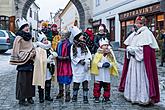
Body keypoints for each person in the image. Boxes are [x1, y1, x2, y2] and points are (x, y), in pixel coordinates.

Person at [118, 16, 160, 105]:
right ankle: (132, 95)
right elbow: (130, 44)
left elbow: (145, 50)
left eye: (138, 23)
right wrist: (129, 49)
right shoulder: (134, 33)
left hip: (141, 63)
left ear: (142, 24)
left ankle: (143, 98)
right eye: (136, 22)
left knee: (141, 79)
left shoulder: (147, 33)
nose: (136, 24)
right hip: (133, 61)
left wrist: (133, 50)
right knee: (133, 77)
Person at [10, 18, 36, 106]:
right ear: (22, 28)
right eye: (25, 27)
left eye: (28, 27)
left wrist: (33, 52)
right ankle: (22, 98)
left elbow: (31, 47)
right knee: (23, 82)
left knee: (30, 81)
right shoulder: (18, 38)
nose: (27, 28)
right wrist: (27, 55)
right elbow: (17, 51)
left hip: (30, 63)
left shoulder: (29, 37)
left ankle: (30, 97)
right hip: (23, 63)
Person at [32, 31, 57, 103]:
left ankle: (47, 96)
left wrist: (53, 56)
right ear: (41, 41)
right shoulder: (39, 49)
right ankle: (41, 97)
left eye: (46, 39)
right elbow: (38, 60)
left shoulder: (49, 48)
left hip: (48, 69)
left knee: (48, 83)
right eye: (44, 40)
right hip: (41, 69)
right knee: (41, 83)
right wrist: (47, 60)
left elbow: (52, 55)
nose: (46, 41)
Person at [91, 38, 118, 103]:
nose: (106, 46)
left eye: (107, 45)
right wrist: (102, 65)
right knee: (97, 87)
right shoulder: (98, 54)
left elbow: (113, 62)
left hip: (106, 73)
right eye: (104, 45)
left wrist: (109, 65)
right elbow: (95, 63)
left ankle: (106, 97)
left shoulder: (110, 54)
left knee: (107, 87)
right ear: (101, 46)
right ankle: (96, 97)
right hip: (99, 74)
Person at [70, 26, 92, 104]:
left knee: (85, 82)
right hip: (78, 67)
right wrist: (79, 61)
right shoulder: (73, 47)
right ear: (77, 37)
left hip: (85, 67)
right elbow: (73, 57)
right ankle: (74, 96)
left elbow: (88, 54)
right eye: (81, 35)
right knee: (77, 82)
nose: (83, 36)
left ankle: (85, 97)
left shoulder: (84, 45)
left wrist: (88, 60)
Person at [56, 30, 72, 102]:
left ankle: (68, 94)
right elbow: (56, 52)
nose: (61, 36)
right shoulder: (58, 44)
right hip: (60, 64)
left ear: (66, 36)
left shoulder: (69, 44)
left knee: (67, 79)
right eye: (61, 35)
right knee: (60, 78)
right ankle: (61, 92)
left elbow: (70, 55)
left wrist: (63, 58)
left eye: (63, 35)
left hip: (66, 65)